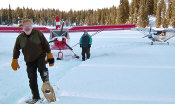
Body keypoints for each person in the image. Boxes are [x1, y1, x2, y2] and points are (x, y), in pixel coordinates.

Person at [11, 19, 54, 103]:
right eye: (25, 26)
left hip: (40, 57)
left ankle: (47, 85)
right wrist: (14, 59)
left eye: (29, 26)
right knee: (32, 79)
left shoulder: (38, 33)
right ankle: (36, 97)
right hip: (29, 60)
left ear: (32, 26)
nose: (27, 27)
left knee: (42, 70)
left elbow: (45, 44)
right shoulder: (20, 38)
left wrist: (49, 54)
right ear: (22, 27)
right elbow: (16, 49)